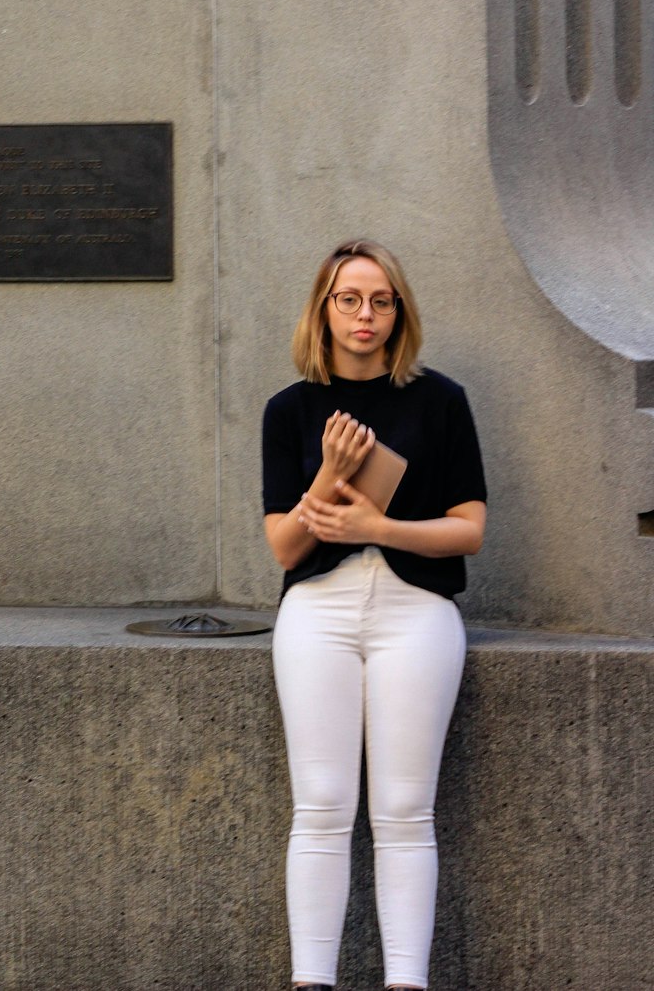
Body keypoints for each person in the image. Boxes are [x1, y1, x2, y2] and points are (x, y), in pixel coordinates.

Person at [262, 238, 486, 991]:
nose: (366, 314)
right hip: (317, 613)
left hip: (415, 611)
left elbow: (470, 527)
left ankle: (406, 982)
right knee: (321, 804)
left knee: (402, 808)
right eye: (349, 298)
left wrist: (379, 529)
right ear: (323, 309)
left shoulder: (441, 400)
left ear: (399, 310)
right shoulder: (290, 409)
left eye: (381, 299)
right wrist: (327, 473)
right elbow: (286, 546)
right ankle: (311, 980)